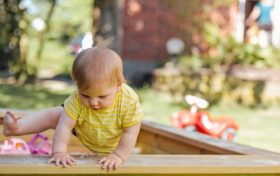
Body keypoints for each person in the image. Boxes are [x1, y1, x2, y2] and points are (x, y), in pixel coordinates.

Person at [3, 46, 144, 170]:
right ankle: (17, 127)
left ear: (118, 86)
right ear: (77, 87)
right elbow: (64, 126)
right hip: (86, 128)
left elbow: (130, 132)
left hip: (115, 141)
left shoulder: (128, 101)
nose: (93, 102)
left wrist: (118, 155)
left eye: (102, 97)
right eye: (86, 96)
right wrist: (59, 152)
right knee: (58, 114)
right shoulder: (76, 99)